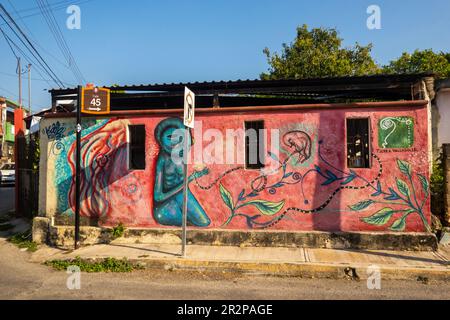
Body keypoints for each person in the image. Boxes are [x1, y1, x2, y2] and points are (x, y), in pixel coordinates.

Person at [153, 118, 211, 227]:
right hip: (166, 203)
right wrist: (188, 181)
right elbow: (158, 196)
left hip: (183, 195)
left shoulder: (181, 156)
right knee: (162, 215)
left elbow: (189, 142)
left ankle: (183, 217)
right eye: (169, 137)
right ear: (160, 140)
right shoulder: (162, 161)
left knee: (204, 222)